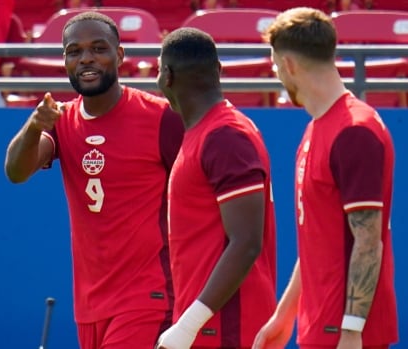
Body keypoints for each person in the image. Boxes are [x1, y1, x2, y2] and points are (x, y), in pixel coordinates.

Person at [5, 11, 184, 349]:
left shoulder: (161, 118)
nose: (86, 58)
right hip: (90, 305)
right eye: (75, 51)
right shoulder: (62, 120)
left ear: (119, 55)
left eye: (98, 48)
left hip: (149, 295)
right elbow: (16, 171)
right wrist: (33, 126)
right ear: (64, 60)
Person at [253, 7, 398, 349]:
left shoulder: (354, 131)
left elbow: (367, 241)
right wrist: (285, 313)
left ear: (288, 64)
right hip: (321, 326)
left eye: (275, 65)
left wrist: (351, 330)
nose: (276, 74)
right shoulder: (318, 128)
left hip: (346, 335)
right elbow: (320, 236)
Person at [154, 27, 277, 349]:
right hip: (211, 325)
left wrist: (188, 325)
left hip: (224, 327)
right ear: (218, 71)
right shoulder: (211, 131)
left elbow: (246, 242)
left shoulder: (224, 137)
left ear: (167, 76)